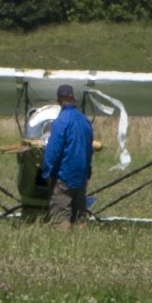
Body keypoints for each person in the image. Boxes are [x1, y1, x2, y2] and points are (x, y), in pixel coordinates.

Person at [38, 84, 97, 230]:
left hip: (64, 176)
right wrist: (87, 170)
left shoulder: (60, 122)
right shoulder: (85, 121)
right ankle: (81, 246)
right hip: (81, 176)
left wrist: (47, 172)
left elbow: (53, 151)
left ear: (59, 101)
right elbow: (89, 149)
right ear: (73, 98)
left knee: (61, 216)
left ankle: (62, 243)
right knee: (79, 217)